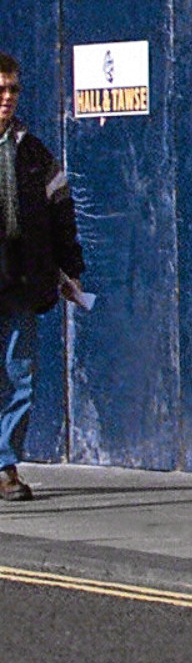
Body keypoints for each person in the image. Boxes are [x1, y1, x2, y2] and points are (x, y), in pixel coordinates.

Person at [0, 53, 84, 504]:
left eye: (13, 89)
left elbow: (61, 213)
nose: (7, 98)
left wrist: (70, 268)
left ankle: (5, 465)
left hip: (21, 279)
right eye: (0, 90)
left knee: (19, 374)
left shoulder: (33, 152)